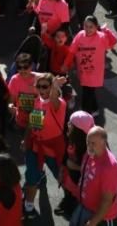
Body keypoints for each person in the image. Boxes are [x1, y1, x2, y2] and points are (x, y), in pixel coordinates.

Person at [23, 74, 67, 220]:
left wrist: (54, 84)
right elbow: (31, 123)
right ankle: (28, 206)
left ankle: (71, 200)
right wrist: (26, 140)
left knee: (61, 176)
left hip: (53, 149)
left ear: (51, 87)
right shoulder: (36, 102)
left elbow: (54, 98)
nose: (41, 89)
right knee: (31, 176)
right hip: (35, 147)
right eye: (39, 86)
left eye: (45, 86)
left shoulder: (59, 104)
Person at [63, 16, 117, 114]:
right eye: (86, 26)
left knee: (87, 92)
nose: (88, 29)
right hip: (83, 71)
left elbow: (113, 43)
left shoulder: (101, 37)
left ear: (96, 27)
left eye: (91, 27)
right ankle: (95, 109)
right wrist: (66, 64)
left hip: (95, 73)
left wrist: (107, 31)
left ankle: (85, 114)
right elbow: (72, 51)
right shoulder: (80, 35)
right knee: (89, 91)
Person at [70, 126, 117, 226]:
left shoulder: (110, 167)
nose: (89, 146)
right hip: (84, 207)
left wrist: (92, 223)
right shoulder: (91, 153)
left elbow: (107, 201)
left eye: (93, 143)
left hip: (102, 218)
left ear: (104, 143)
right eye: (87, 142)